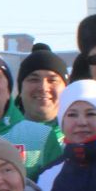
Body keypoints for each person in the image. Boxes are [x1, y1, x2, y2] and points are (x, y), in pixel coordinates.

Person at [9, 42, 67, 172]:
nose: (43, 87)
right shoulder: (4, 135)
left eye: (52, 80)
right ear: (20, 88)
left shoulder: (78, 133)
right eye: (34, 79)